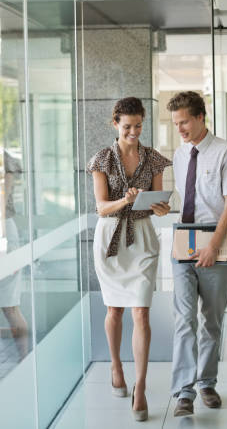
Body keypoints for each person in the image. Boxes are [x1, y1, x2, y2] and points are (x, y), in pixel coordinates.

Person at [87, 97, 172, 421]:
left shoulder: (153, 159)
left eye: (138, 125)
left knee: (141, 312)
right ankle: (116, 365)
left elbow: (156, 203)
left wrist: (160, 207)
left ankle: (140, 386)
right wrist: (125, 199)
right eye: (127, 127)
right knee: (115, 310)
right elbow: (100, 207)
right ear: (115, 125)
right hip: (111, 239)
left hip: (143, 239)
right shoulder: (102, 159)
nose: (133, 131)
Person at [168, 91, 227, 417]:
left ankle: (207, 383)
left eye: (184, 121)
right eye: (176, 123)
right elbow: (183, 197)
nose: (180, 128)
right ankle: (184, 392)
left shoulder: (226, 152)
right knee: (184, 319)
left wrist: (213, 244)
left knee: (211, 320)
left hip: (216, 242)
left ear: (201, 117)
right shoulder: (179, 153)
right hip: (183, 242)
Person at [0, 149, 29, 358]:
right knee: (8, 307)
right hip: (5, 241)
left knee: (10, 307)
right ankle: (24, 358)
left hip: (8, 240)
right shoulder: (4, 172)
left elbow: (1, 210)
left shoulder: (6, 174)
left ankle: (25, 357)